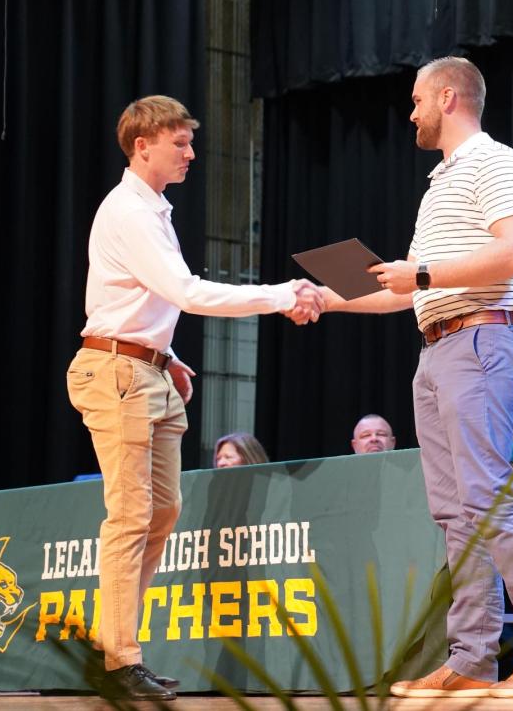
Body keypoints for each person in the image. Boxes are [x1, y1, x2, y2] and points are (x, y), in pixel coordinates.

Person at [315, 57, 513, 698]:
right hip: (435, 347)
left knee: (486, 496)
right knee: (454, 512)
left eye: (415, 101)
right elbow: (401, 290)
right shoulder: (439, 185)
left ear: (448, 96)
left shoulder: (497, 162)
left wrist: (423, 274)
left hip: (481, 338)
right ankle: (472, 656)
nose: (410, 113)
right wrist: (324, 298)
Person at [66, 95, 323, 701]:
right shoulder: (128, 210)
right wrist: (283, 294)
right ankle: (117, 662)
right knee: (131, 515)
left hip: (144, 369)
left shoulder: (154, 210)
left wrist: (164, 353)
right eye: (179, 143)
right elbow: (184, 290)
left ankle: (122, 653)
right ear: (143, 145)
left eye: (188, 141)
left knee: (161, 513)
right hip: (118, 374)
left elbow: (137, 299)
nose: (190, 152)